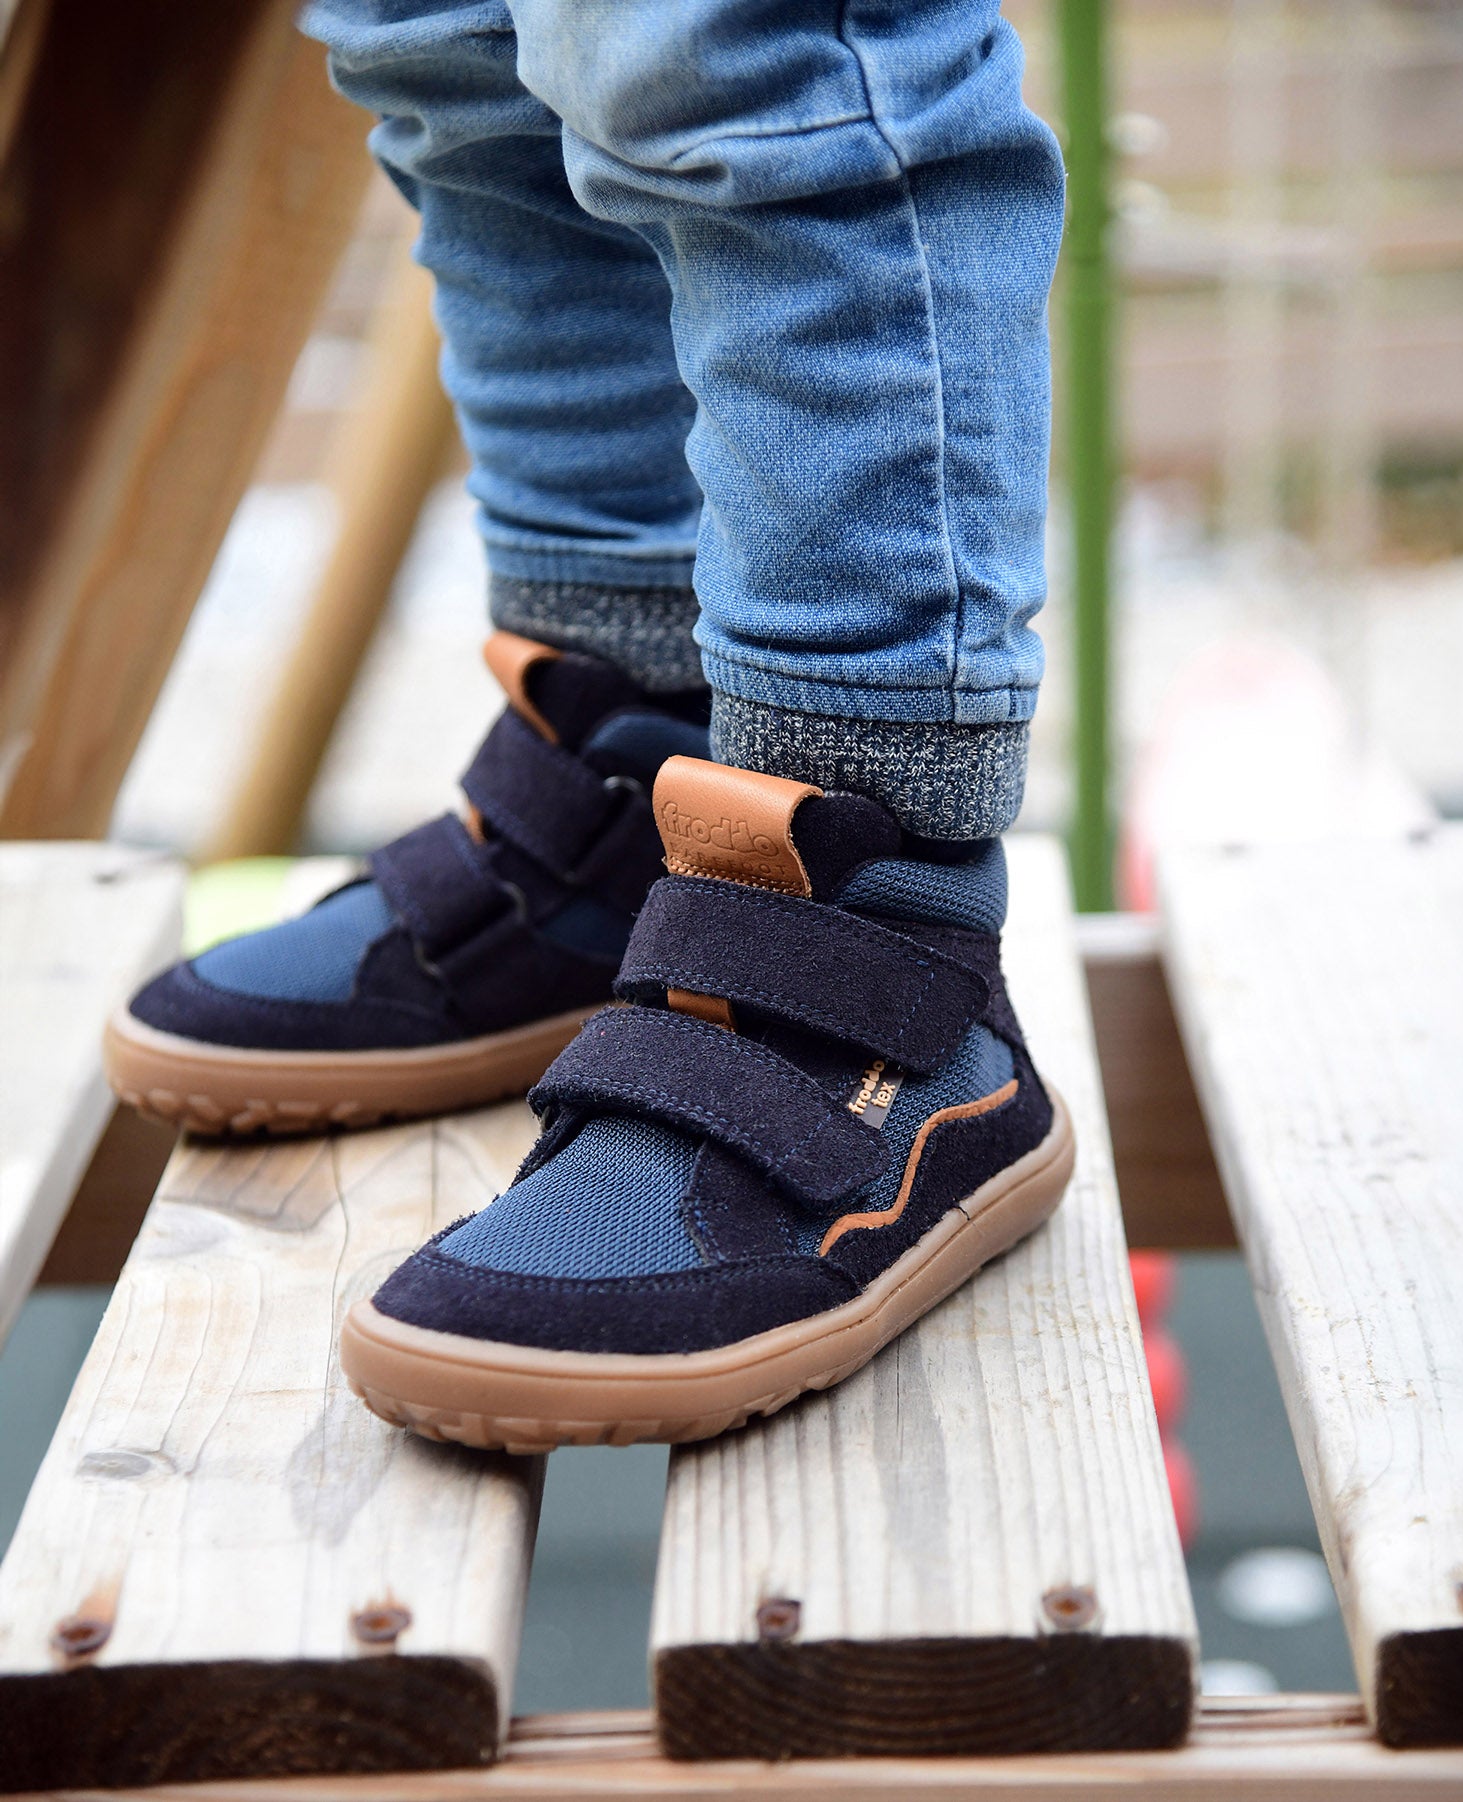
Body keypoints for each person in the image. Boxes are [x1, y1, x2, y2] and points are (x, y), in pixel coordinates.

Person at [106, 0, 1073, 1450]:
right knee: (449, 53)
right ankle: (633, 787)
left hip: (887, 934)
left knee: (743, 48)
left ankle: (887, 932)